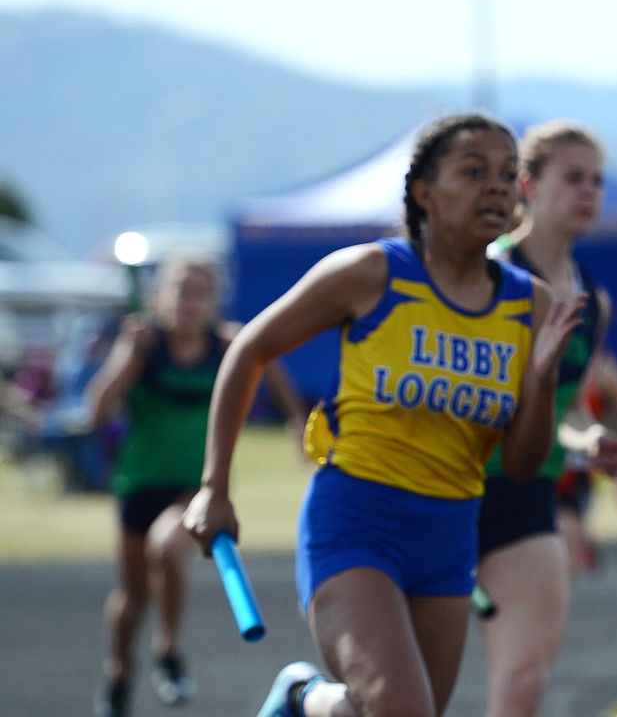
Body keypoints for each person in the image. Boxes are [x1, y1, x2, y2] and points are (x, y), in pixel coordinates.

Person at [181, 113, 585, 717]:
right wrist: (214, 488)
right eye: (474, 172)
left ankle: (306, 699)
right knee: (402, 708)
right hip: (357, 522)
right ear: (424, 192)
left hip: (450, 536)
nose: (496, 187)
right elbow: (250, 349)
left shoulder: (531, 304)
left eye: (507, 175)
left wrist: (544, 378)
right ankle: (309, 694)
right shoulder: (371, 273)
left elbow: (524, 466)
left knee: (385, 710)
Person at [86, 256, 306, 717]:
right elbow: (98, 411)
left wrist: (296, 421)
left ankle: (168, 652)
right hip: (138, 485)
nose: (189, 302)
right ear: (161, 298)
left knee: (167, 549)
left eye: (199, 293)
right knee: (131, 598)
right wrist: (128, 355)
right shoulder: (145, 345)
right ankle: (119, 674)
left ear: (212, 301)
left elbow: (272, 367)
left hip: (197, 487)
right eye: (181, 291)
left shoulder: (226, 344)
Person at [474, 119, 617, 717]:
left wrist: (591, 439)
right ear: (528, 185)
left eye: (596, 180)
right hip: (439, 494)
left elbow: (568, 406)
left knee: (522, 687)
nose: (589, 191)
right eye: (573, 178)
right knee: (397, 695)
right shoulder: (482, 274)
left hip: (526, 497)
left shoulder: (595, 301)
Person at [556, 348, 617, 575]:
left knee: (564, 562)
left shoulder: (601, 370)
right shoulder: (527, 354)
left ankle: (579, 541)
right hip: (531, 476)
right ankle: (583, 540)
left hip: (572, 481)